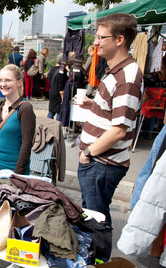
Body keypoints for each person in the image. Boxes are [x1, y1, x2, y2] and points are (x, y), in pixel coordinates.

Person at [77, 13, 143, 233]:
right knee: (92, 216)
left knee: (96, 222)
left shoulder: (128, 76)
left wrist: (88, 153)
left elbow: (118, 130)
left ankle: (96, 265)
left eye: (100, 37)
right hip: (98, 161)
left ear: (119, 39)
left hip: (101, 162)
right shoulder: (117, 71)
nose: (96, 43)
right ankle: (93, 263)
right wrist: (92, 104)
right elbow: (114, 111)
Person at [0, 64, 36, 183]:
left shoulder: (25, 108)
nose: (2, 84)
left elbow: (27, 143)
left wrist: (17, 174)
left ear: (19, 82)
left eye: (8, 80)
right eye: (0, 80)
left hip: (13, 172)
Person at [47, 55, 68, 120]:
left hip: (51, 91)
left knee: (51, 111)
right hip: (58, 93)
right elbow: (60, 85)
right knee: (59, 112)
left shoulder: (52, 69)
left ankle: (47, 124)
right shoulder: (62, 71)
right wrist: (63, 96)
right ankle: (57, 126)